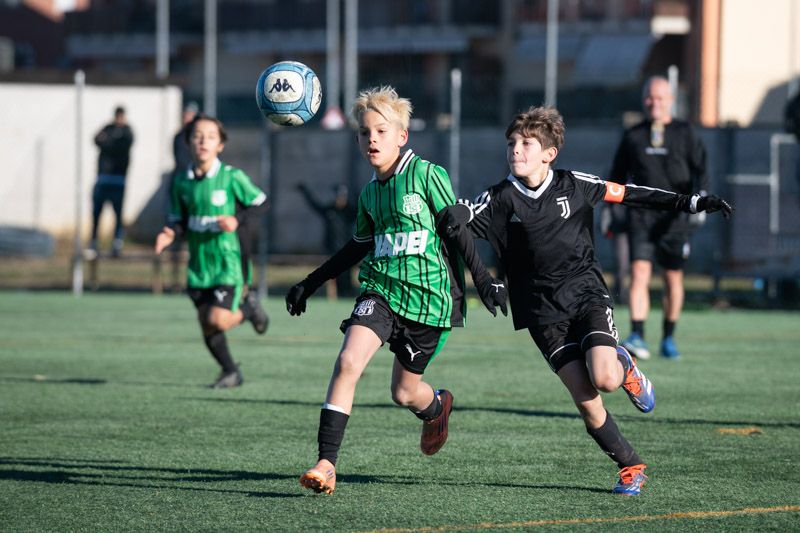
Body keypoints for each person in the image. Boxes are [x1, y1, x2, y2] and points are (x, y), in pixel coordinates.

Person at [440, 106, 732, 495]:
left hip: (585, 295)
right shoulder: (498, 198)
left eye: (526, 143)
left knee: (606, 379)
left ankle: (622, 364)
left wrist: (690, 203)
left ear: (549, 153)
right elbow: (456, 223)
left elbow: (629, 193)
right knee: (587, 401)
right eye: (511, 143)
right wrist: (462, 233)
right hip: (541, 313)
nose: (516, 150)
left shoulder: (574, 184)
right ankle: (631, 465)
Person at [284, 86, 507, 495]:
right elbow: (358, 247)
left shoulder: (427, 175)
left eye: (381, 131)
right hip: (381, 290)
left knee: (403, 393)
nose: (372, 139)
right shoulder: (370, 193)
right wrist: (309, 283)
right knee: (348, 361)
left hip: (430, 301)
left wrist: (484, 279)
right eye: (365, 132)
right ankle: (326, 464)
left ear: (401, 136)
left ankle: (436, 407)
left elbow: (456, 230)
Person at [154, 114, 269, 388]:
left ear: (220, 145)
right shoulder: (181, 182)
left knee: (217, 318)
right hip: (199, 263)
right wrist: (170, 233)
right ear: (188, 143)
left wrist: (237, 220)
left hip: (229, 261)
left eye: (210, 137)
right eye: (197, 136)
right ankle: (230, 371)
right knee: (206, 323)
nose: (203, 141)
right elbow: (179, 220)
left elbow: (261, 203)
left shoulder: (231, 177)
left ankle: (249, 308)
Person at [610, 76, 710, 360]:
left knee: (672, 276)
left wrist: (700, 202)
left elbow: (701, 170)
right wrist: (609, 209)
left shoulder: (685, 132)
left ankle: (668, 337)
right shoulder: (633, 135)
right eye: (650, 97)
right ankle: (637, 335)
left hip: (675, 218)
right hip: (641, 215)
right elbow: (616, 176)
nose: (654, 103)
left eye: (660, 97)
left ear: (671, 100)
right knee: (639, 272)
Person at [88, 106, 134, 258]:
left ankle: (117, 243)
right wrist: (110, 142)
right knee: (97, 212)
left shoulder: (127, 132)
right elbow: (96, 139)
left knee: (118, 214)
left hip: (118, 180)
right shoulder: (108, 128)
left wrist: (109, 142)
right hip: (103, 178)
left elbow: (121, 147)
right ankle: (94, 241)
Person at [296, 182, 357, 297]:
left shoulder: (350, 212)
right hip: (332, 249)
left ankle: (347, 292)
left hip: (347, 249)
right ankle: (334, 295)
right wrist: (305, 192)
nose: (340, 200)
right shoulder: (330, 210)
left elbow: (363, 209)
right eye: (338, 197)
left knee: (346, 273)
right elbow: (315, 205)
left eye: (342, 197)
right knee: (333, 273)